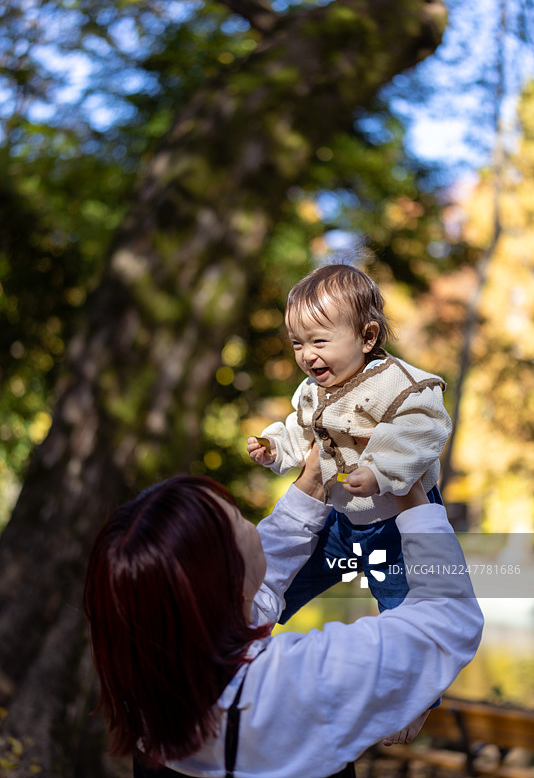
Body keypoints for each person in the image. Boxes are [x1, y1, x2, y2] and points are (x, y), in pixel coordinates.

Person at [84, 446, 483, 777]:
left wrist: (311, 482)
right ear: (224, 579)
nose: (250, 525)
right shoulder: (300, 681)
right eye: (236, 519)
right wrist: (413, 495)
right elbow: (448, 618)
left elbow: (257, 586)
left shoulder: (149, 683)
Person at [247, 264, 452, 621]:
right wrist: (275, 446)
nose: (306, 355)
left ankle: (398, 662)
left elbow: (423, 430)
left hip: (394, 526)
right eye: (297, 343)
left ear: (367, 337)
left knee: (405, 613)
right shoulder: (312, 390)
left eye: (319, 341)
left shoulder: (399, 384)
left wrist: (378, 471)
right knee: (281, 580)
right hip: (339, 519)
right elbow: (300, 429)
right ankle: (248, 629)